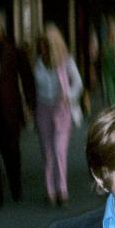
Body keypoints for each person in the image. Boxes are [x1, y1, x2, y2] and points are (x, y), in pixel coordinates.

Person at [0, 7, 35, 209]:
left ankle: (16, 187)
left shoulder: (13, 48)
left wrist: (31, 104)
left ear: (2, 26)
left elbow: (27, 77)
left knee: (12, 153)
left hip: (10, 111)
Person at [33, 24, 83, 206]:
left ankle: (62, 189)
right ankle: (50, 191)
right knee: (47, 152)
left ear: (53, 44)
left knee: (58, 149)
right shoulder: (38, 61)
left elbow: (78, 83)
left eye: (45, 44)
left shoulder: (66, 61)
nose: (42, 48)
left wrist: (68, 95)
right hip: (43, 109)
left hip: (61, 110)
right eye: (41, 44)